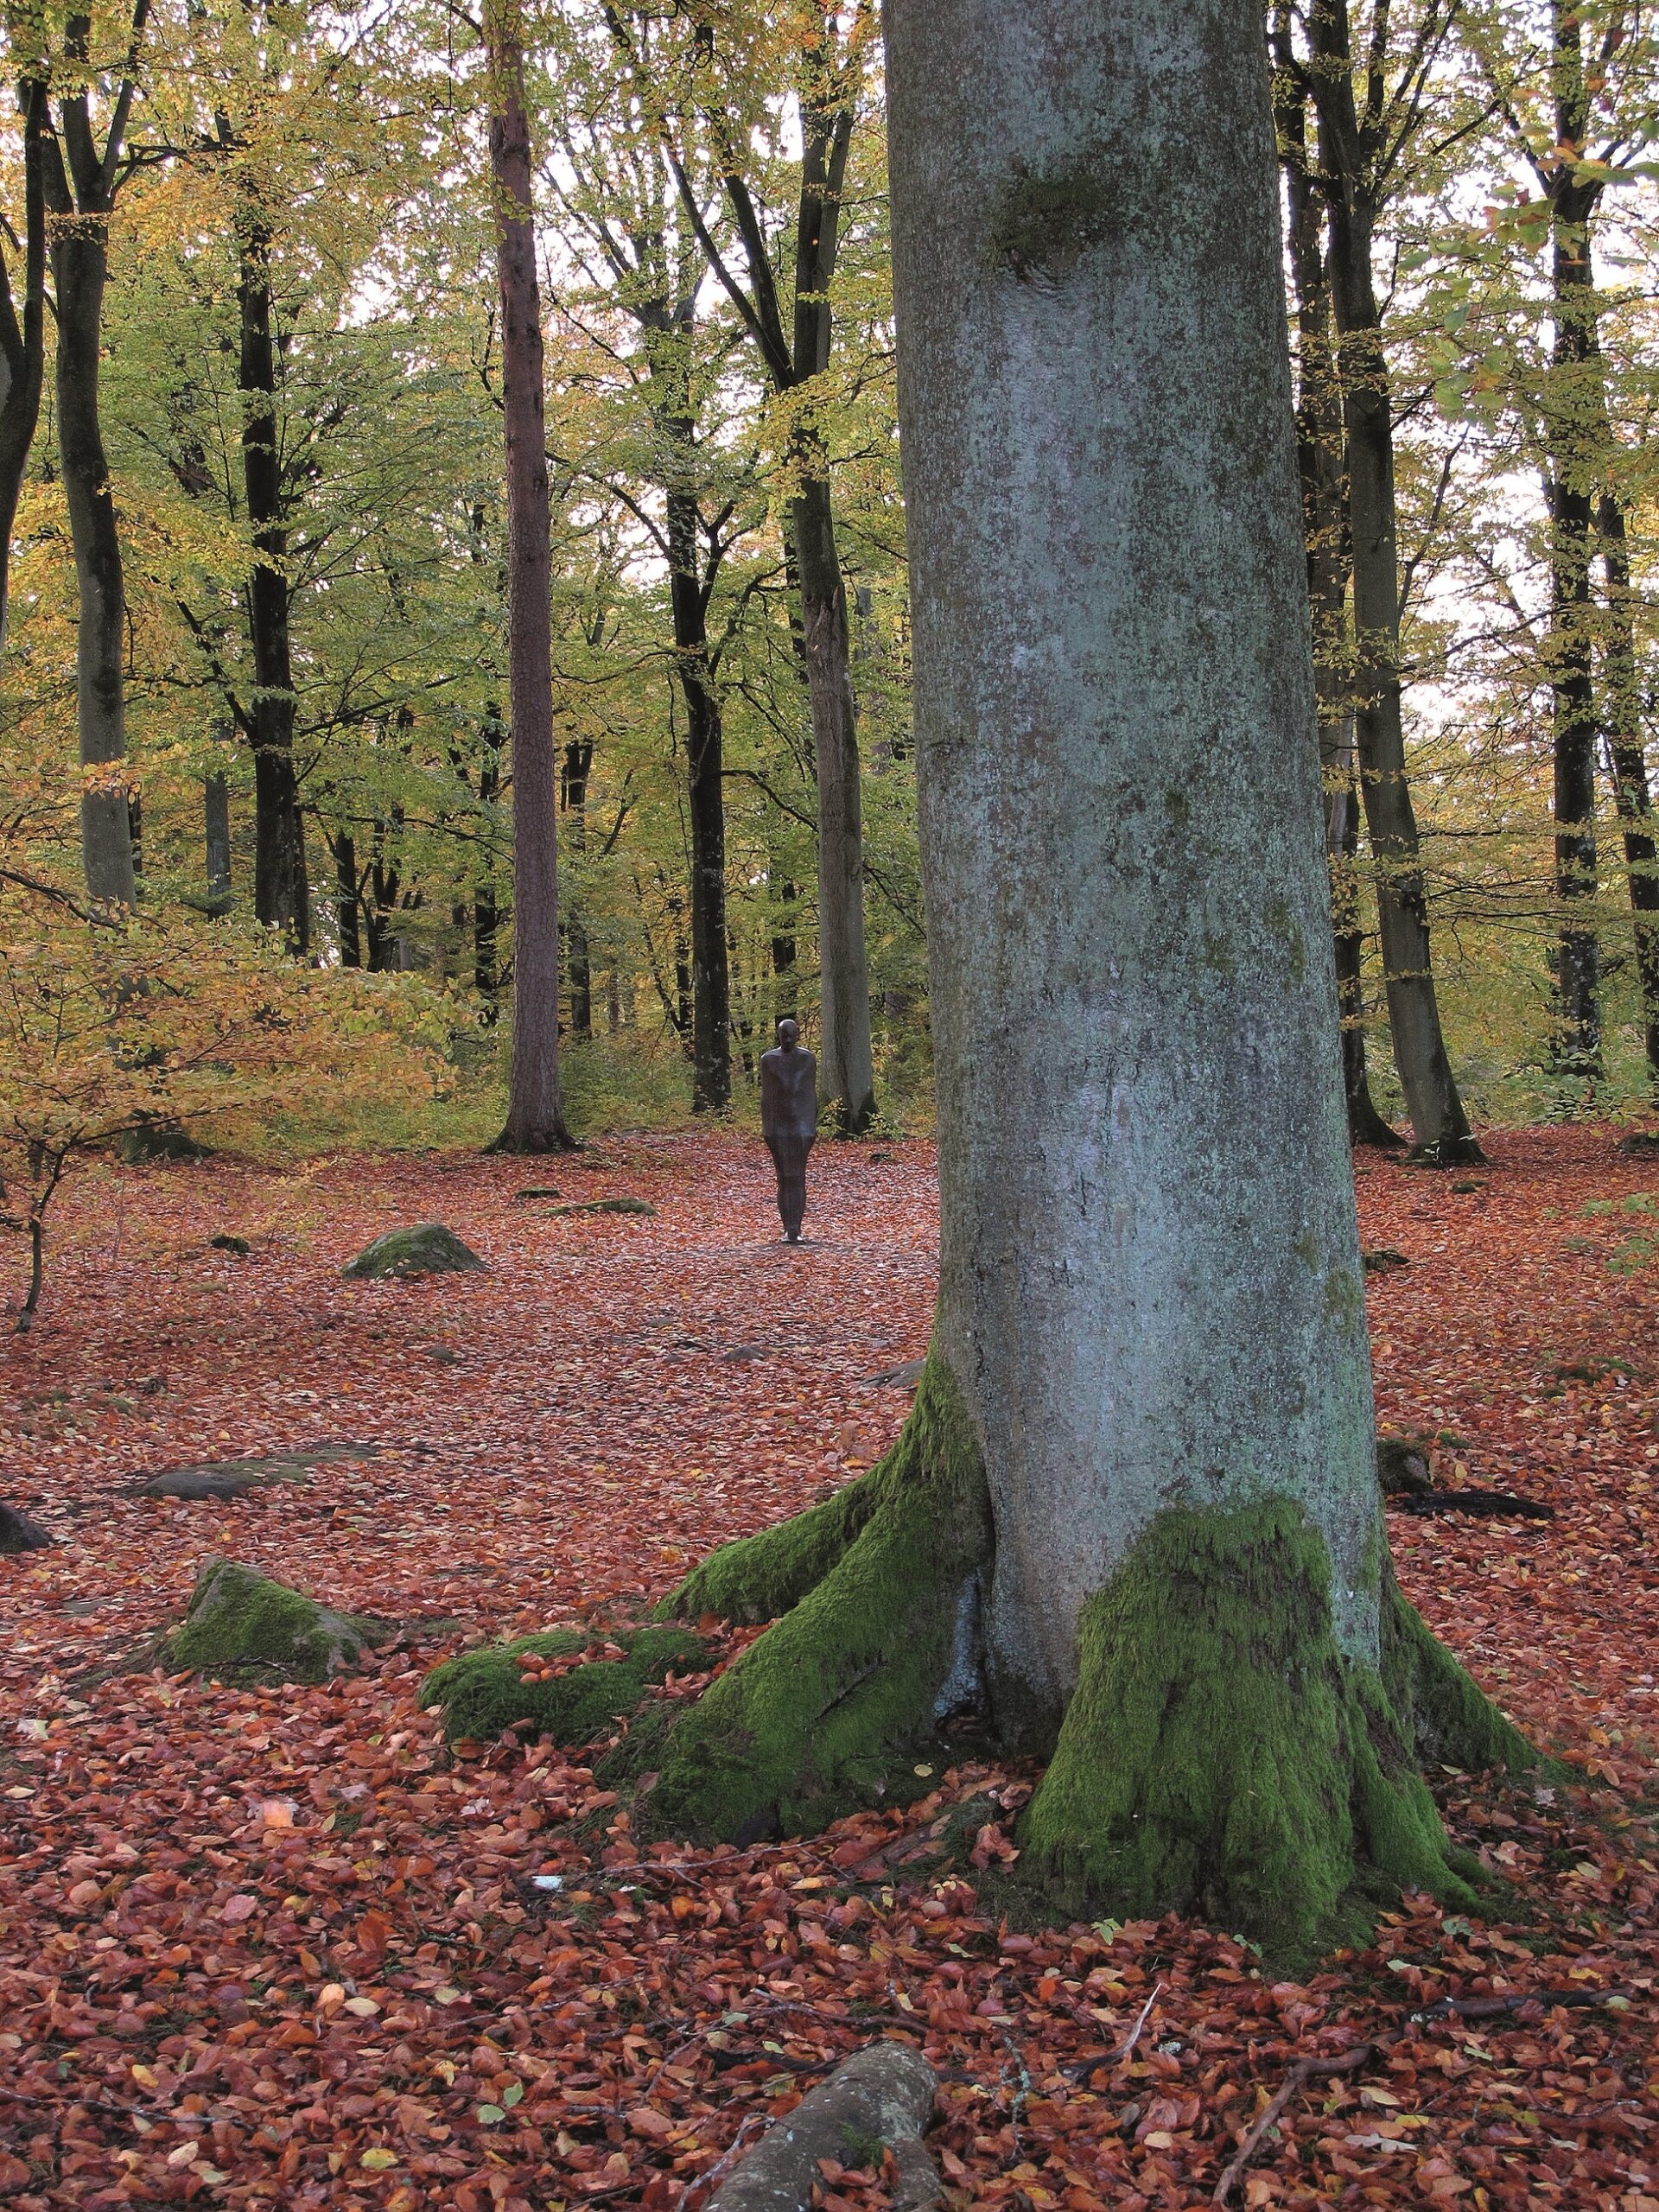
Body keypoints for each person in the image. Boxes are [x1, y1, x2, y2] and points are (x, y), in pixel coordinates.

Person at [760, 1018, 817, 1243]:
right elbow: (768, 1098)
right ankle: (789, 1228)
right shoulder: (769, 1060)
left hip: (801, 1126)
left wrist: (810, 1127)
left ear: (798, 1035)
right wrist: (768, 1130)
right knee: (785, 1177)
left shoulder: (807, 1059)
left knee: (798, 1176)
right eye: (785, 1036)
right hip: (779, 1126)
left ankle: (796, 1228)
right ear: (779, 1036)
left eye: (792, 1036)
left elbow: (808, 1095)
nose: (789, 1040)